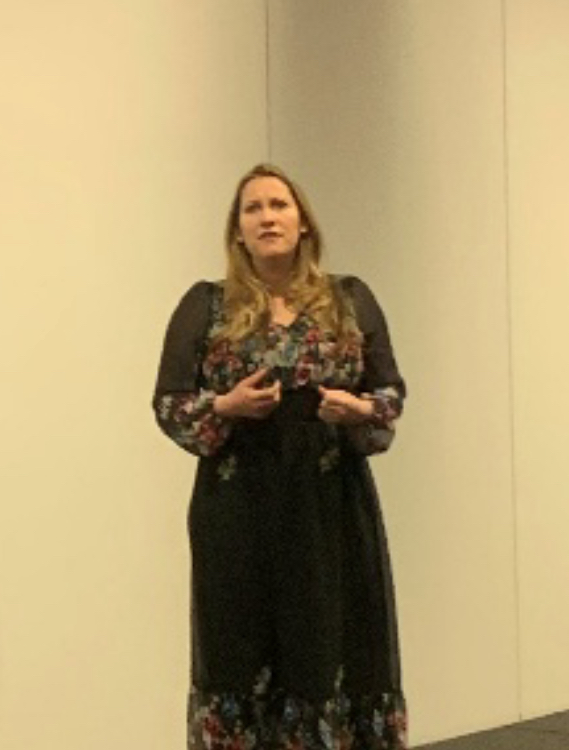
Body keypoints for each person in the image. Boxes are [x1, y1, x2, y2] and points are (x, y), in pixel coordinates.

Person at [153, 164, 408, 749]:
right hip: (238, 507)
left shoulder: (349, 300)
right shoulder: (206, 306)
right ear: (238, 232)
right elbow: (168, 404)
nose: (267, 217)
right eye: (253, 209)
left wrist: (360, 410)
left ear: (303, 224)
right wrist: (227, 403)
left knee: (332, 644)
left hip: (330, 507)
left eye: (279, 205)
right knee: (240, 646)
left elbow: (392, 392)